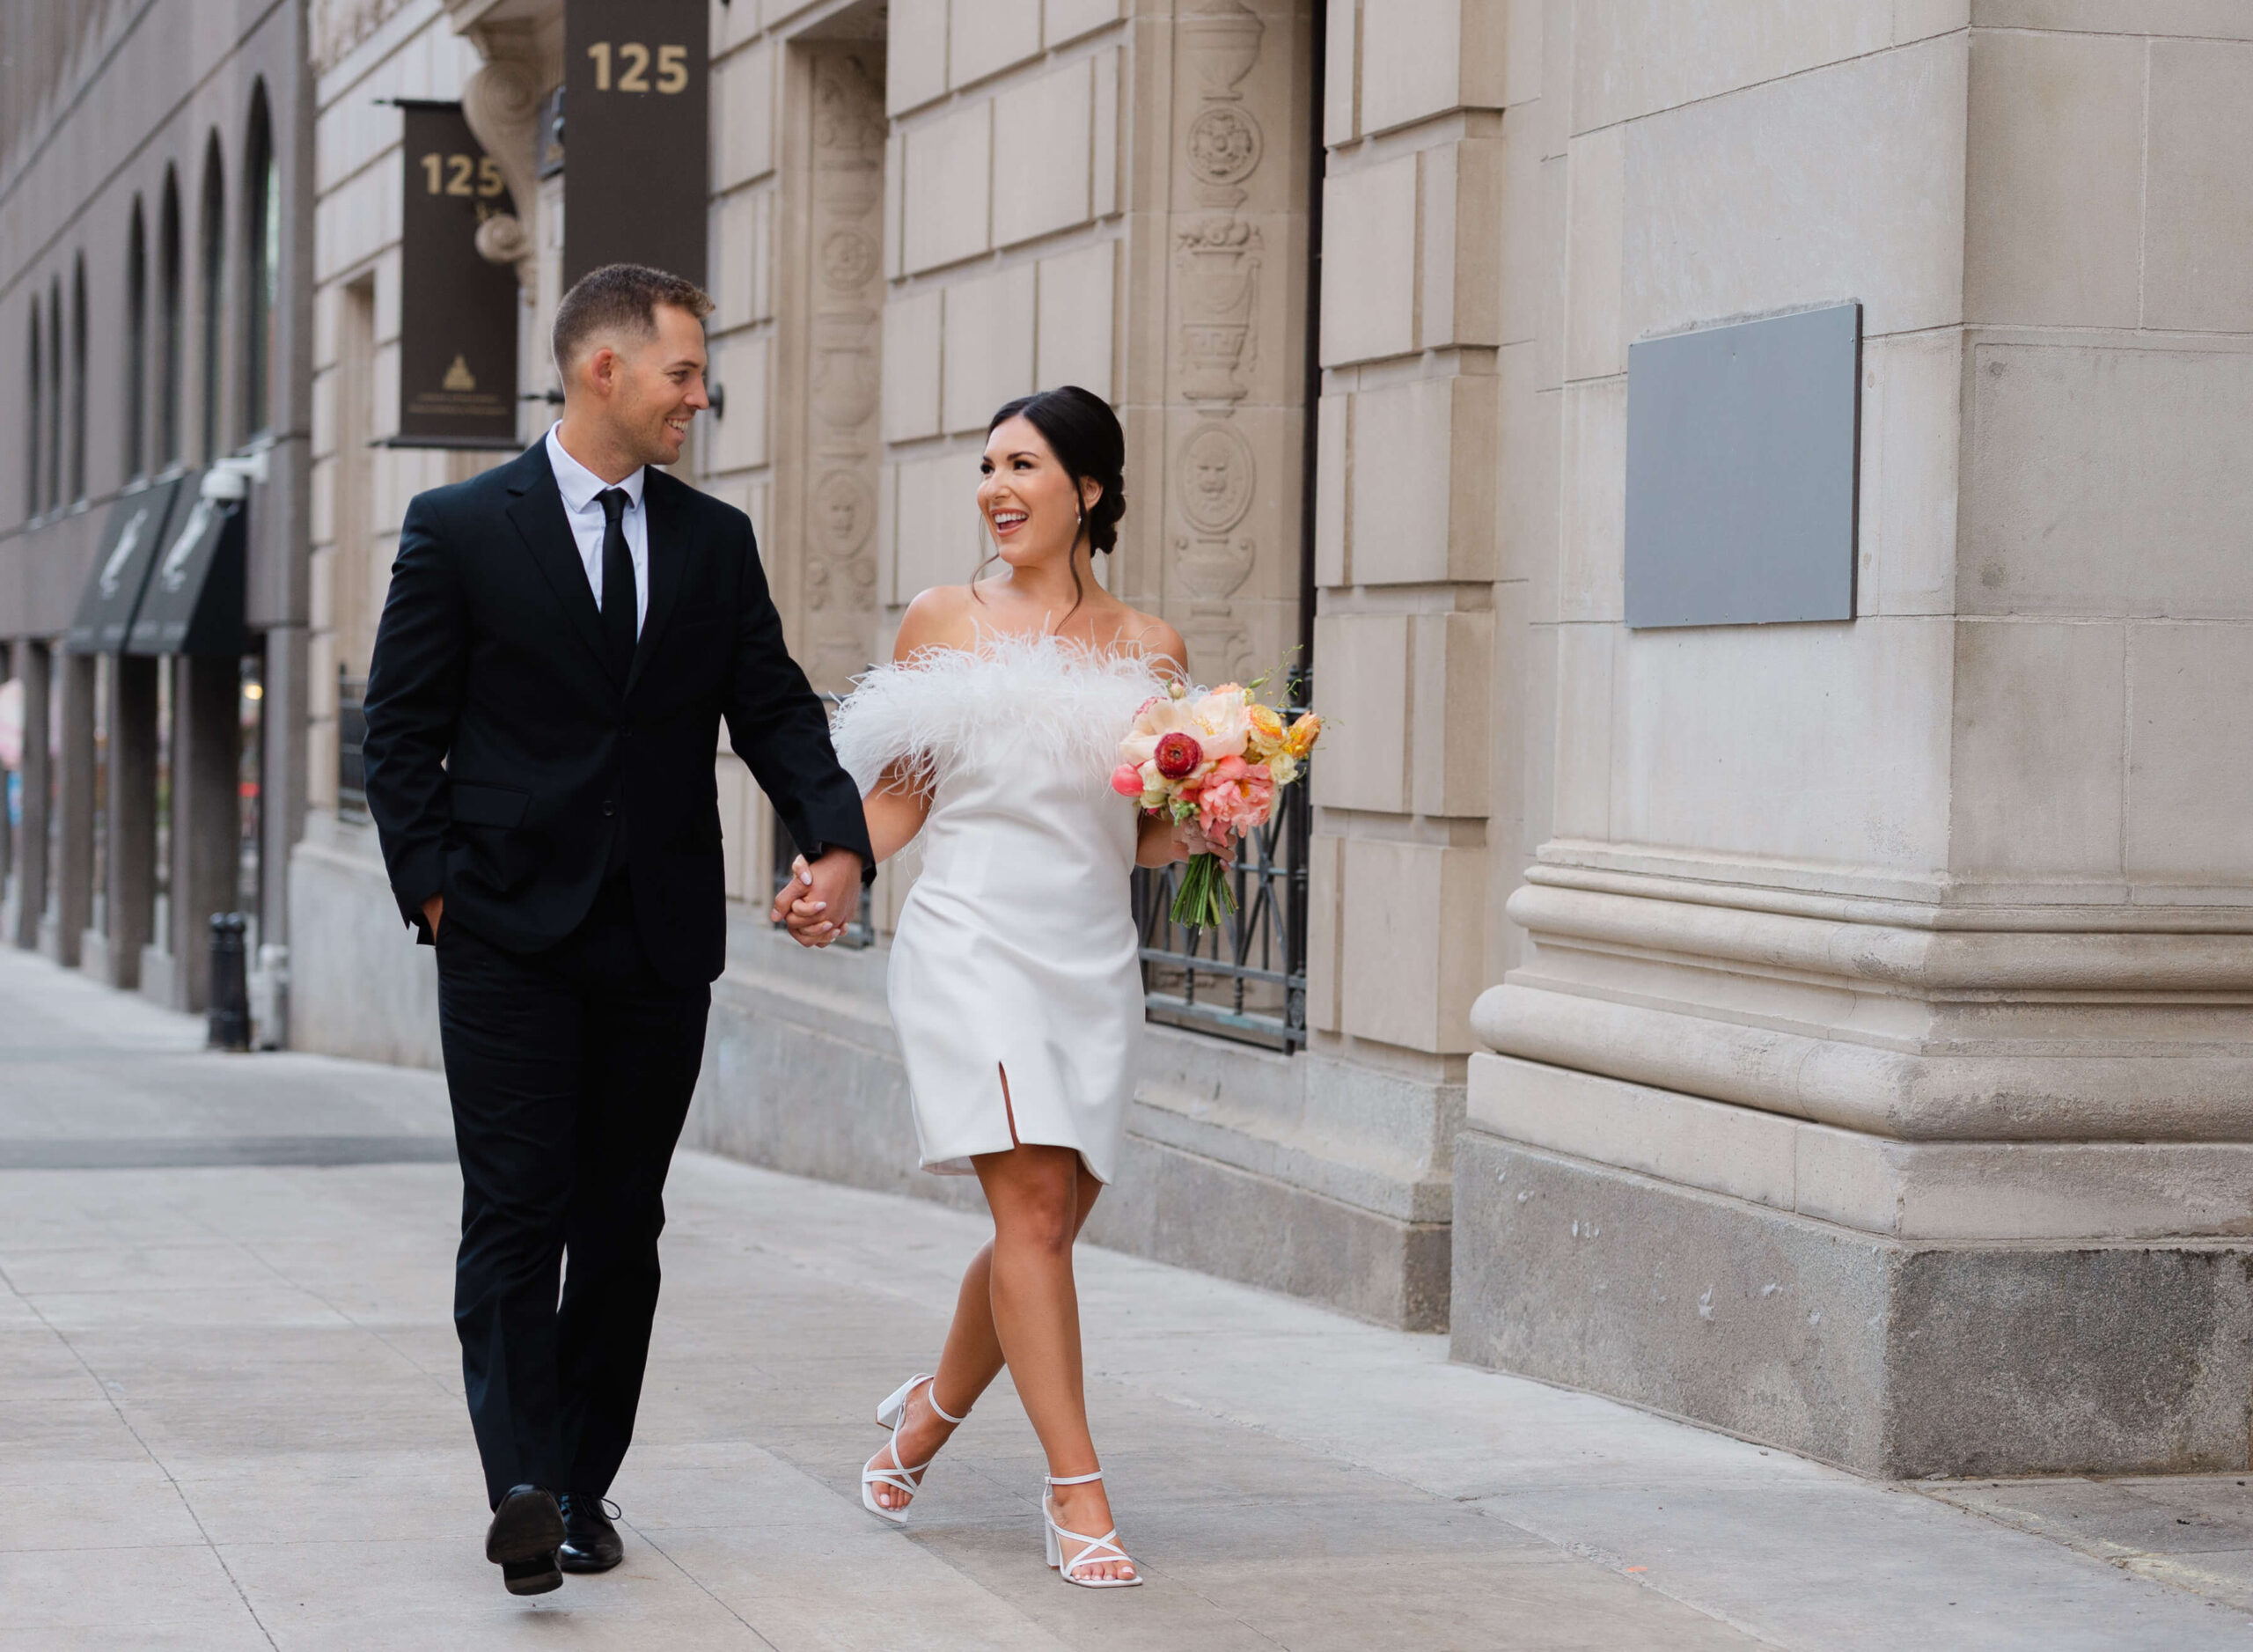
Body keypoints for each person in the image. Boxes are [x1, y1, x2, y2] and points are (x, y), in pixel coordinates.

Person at [361, 263, 870, 1597]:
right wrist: (432, 891)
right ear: (606, 370)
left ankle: (584, 1484)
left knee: (622, 1223)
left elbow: (772, 708)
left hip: (656, 939)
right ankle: (522, 1482)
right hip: (505, 937)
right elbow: (400, 731)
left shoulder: (713, 542)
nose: (700, 397)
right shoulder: (461, 527)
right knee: (517, 1211)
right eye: (684, 374)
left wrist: (837, 840)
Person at [783, 386, 1193, 1589]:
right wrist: (834, 871)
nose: (997, 490)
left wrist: (1209, 821)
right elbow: (903, 794)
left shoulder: (1150, 646)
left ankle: (923, 1421)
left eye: (1025, 466)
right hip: (968, 941)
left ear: (1092, 491)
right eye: (988, 467)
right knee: (1029, 1215)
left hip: (1089, 957)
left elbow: (1142, 835)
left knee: (1048, 1225)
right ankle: (1079, 1496)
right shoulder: (943, 620)